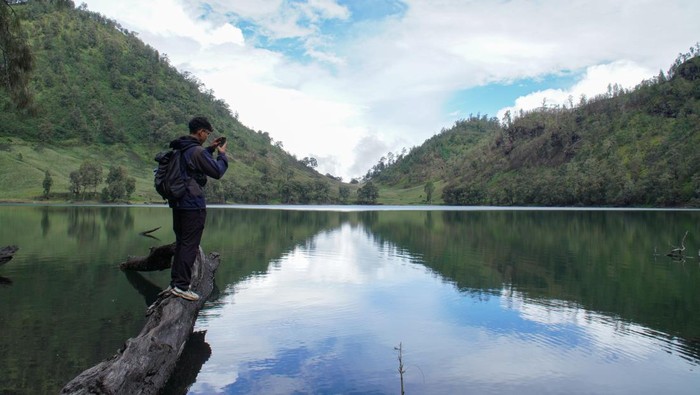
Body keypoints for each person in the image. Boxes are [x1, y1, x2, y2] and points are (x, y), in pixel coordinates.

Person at [167, 116, 228, 301]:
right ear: (200, 131)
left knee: (182, 242)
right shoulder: (196, 151)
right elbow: (217, 172)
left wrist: (210, 149)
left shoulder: (182, 147)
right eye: (207, 134)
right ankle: (182, 286)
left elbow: (195, 160)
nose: (207, 137)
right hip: (192, 204)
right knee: (190, 244)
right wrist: (222, 155)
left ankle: (175, 284)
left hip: (178, 202)